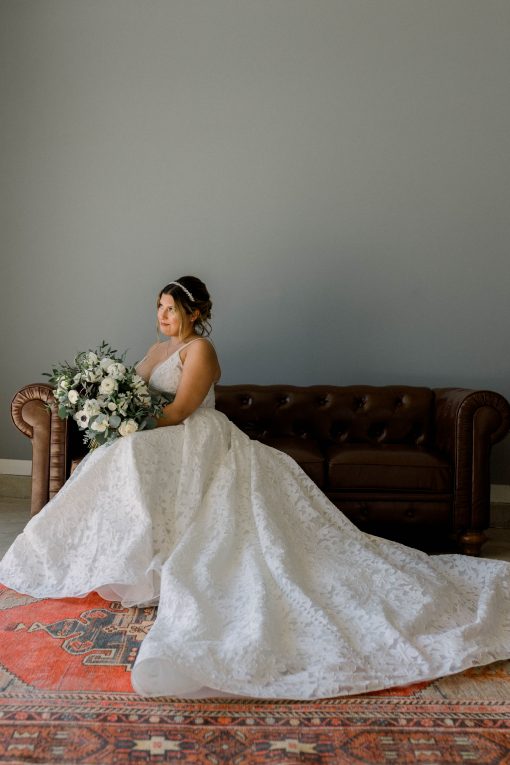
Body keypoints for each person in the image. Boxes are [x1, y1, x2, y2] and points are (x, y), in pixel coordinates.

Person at [1, 275, 509, 700]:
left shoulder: (201, 350)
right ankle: (109, 554)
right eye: (158, 306)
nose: (162, 315)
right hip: (157, 433)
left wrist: (130, 424)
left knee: (129, 450)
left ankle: (154, 557)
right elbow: (137, 392)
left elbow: (179, 411)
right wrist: (110, 409)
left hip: (191, 434)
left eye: (171, 308)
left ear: (194, 313)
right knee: (116, 453)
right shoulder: (157, 349)